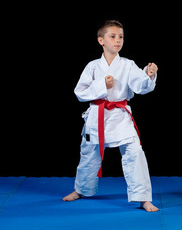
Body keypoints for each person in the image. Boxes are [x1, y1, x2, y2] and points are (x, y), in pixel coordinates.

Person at [63, 20, 159, 212]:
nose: (118, 41)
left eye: (121, 37)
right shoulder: (92, 66)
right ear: (101, 40)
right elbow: (79, 92)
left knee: (135, 153)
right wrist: (101, 86)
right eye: (112, 36)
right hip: (97, 116)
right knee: (89, 155)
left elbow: (140, 87)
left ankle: (143, 198)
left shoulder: (128, 65)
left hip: (120, 115)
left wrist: (148, 75)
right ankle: (81, 189)